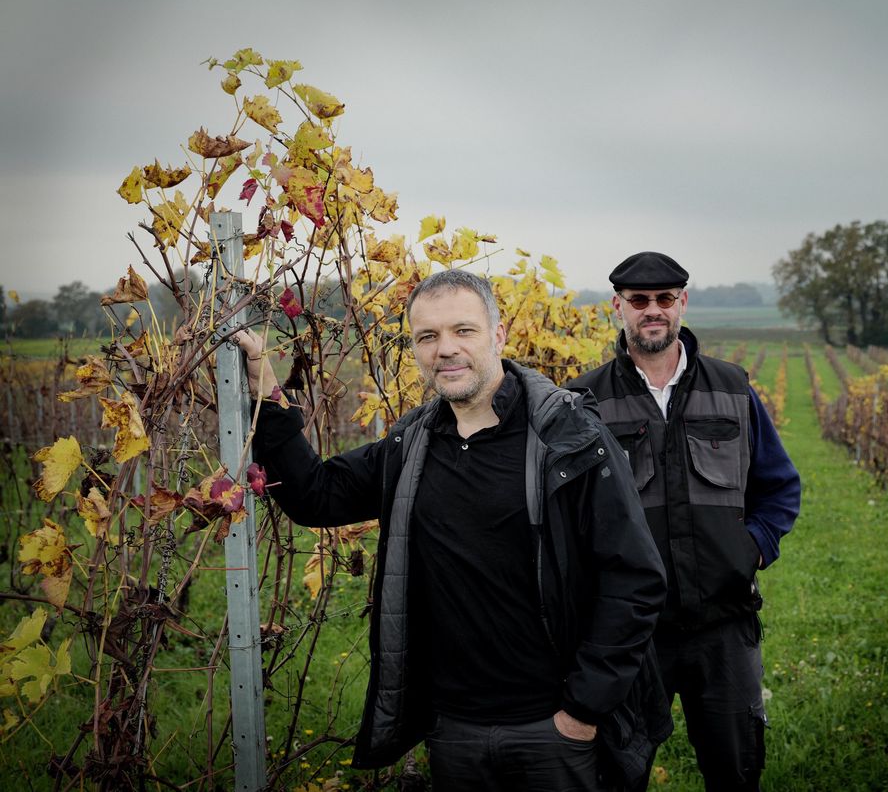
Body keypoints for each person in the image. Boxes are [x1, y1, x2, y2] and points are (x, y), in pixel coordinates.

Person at [233, 269, 670, 791]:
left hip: (552, 728)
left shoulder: (570, 441)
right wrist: (266, 389)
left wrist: (581, 711)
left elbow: (635, 580)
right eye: (427, 336)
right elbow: (315, 494)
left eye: (463, 331)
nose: (446, 349)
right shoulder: (412, 446)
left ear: (498, 335)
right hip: (454, 728)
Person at [567, 251, 802, 792]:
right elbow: (568, 512)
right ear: (618, 308)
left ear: (683, 304)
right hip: (627, 634)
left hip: (723, 626)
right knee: (617, 773)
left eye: (665, 299)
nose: (654, 311)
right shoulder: (583, 401)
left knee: (736, 771)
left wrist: (752, 548)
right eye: (640, 301)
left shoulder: (732, 388)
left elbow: (780, 486)